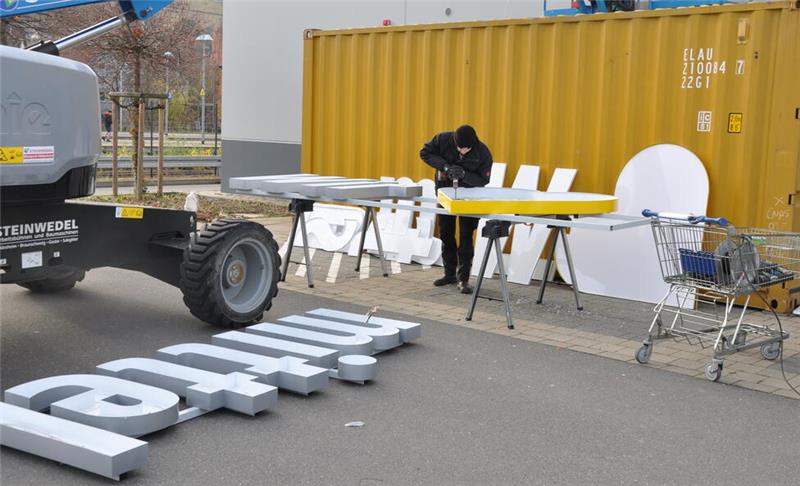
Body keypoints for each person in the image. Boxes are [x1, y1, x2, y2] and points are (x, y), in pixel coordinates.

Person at [420, 124, 492, 294]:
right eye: (460, 147)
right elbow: (424, 153)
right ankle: (449, 274)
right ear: (454, 141)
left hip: (470, 198)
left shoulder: (483, 153)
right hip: (445, 195)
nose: (462, 151)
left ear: (473, 144)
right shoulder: (442, 139)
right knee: (446, 233)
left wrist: (465, 175)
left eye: (467, 148)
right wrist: (444, 167)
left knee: (466, 236)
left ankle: (464, 279)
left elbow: (484, 180)